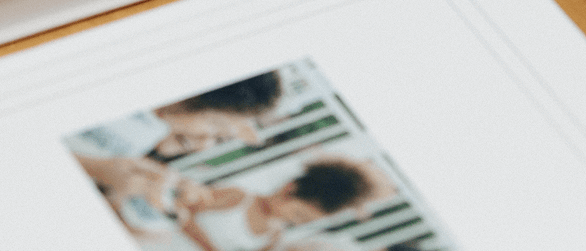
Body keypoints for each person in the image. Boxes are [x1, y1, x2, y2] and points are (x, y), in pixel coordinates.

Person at [66, 73, 284, 226]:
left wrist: (170, 203)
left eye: (218, 139)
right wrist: (95, 168)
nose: (204, 144)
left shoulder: (149, 134)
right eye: (214, 125)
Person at [179, 157, 387, 251]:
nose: (295, 223)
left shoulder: (274, 236)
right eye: (299, 215)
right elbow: (181, 211)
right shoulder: (238, 198)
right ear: (289, 189)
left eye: (305, 222)